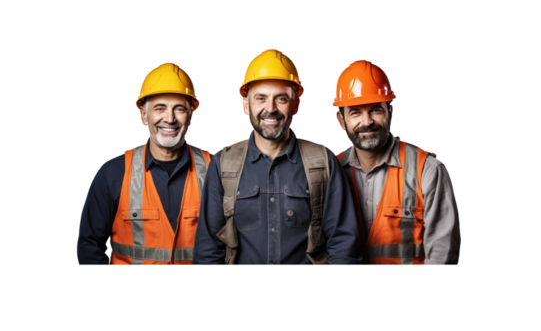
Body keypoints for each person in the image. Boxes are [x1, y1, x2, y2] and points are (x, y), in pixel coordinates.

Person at [193, 49, 362, 266]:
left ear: (295, 104)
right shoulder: (223, 164)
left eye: (281, 98)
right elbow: (209, 250)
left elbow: (343, 245)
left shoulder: (322, 162)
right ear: (245, 105)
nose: (270, 109)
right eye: (260, 98)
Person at [76, 62, 211, 266]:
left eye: (179, 109)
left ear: (191, 116)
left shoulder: (216, 169)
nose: (170, 118)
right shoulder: (113, 173)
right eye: (160, 108)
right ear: (143, 115)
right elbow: (89, 245)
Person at [332, 59, 461, 266]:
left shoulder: (427, 170)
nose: (367, 122)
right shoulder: (331, 171)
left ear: (391, 112)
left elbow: (442, 255)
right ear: (341, 120)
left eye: (376, 109)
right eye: (356, 112)